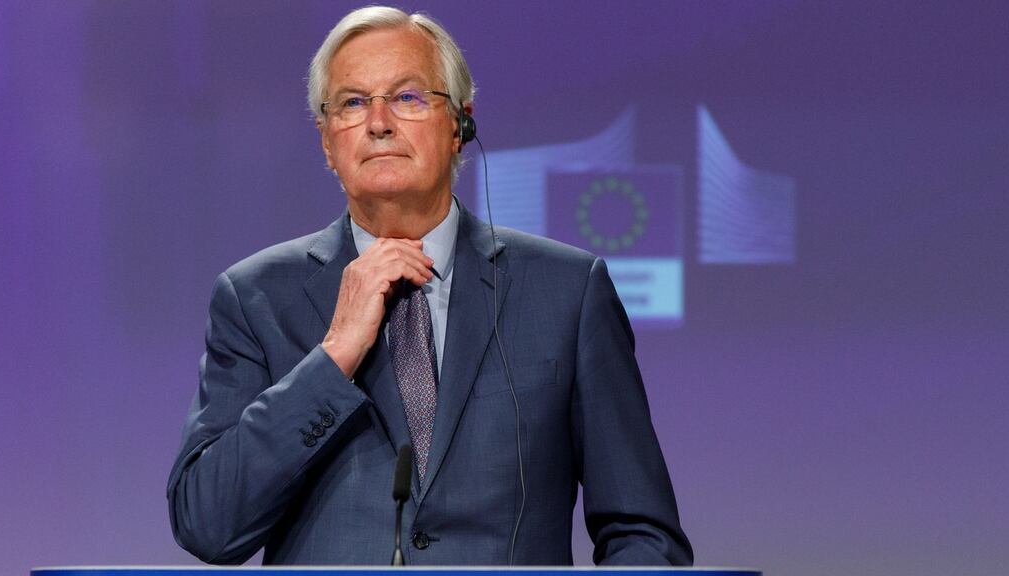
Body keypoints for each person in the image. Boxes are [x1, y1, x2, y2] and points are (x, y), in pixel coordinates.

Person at [167, 5, 692, 566]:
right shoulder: (255, 298)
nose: (378, 122)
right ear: (327, 143)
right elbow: (207, 525)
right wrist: (334, 356)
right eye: (351, 102)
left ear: (459, 128)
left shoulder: (567, 291)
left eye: (408, 97)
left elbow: (643, 532)